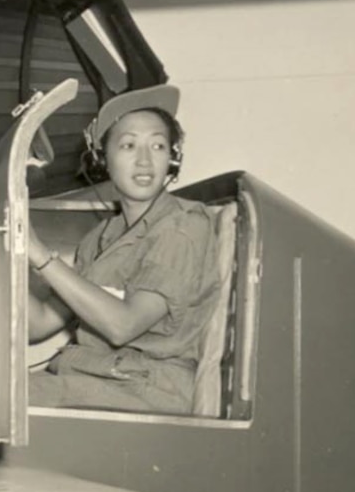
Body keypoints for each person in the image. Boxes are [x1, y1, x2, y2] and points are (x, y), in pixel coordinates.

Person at [28, 84, 220, 415]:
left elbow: (124, 325)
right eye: (129, 145)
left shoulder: (183, 226)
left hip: (147, 390)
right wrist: (8, 254)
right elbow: (39, 324)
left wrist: (40, 255)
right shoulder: (100, 237)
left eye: (158, 146)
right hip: (100, 379)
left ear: (173, 158)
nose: (145, 160)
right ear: (102, 159)